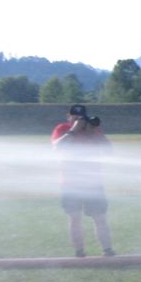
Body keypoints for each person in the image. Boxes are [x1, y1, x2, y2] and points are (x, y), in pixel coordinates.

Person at [50, 104, 114, 257]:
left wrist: (94, 134)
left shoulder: (92, 130)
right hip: (70, 183)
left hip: (93, 182)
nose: (77, 120)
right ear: (68, 117)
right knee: (75, 218)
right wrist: (73, 131)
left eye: (80, 118)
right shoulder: (62, 129)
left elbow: (108, 150)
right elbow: (57, 148)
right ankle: (79, 252)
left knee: (100, 218)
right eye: (74, 117)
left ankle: (108, 251)